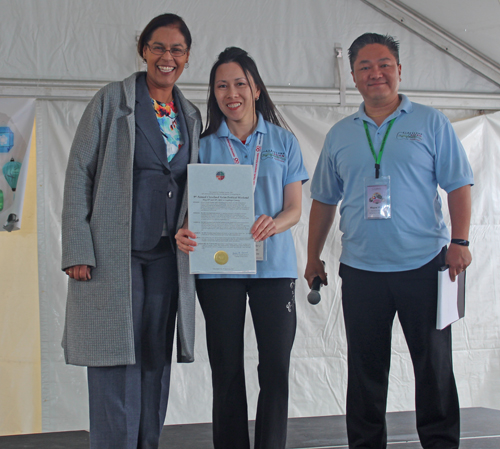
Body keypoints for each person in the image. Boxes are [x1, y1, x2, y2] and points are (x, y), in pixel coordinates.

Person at [305, 33, 473, 449]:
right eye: (364, 66)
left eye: (383, 64)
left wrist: (461, 240)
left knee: (433, 369)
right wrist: (312, 257)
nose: (374, 73)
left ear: (399, 70)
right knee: (365, 372)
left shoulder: (431, 123)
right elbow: (324, 200)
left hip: (425, 266)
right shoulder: (340, 134)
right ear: (353, 76)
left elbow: (459, 184)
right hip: (362, 270)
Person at [61, 13, 201, 449]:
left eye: (176, 50)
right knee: (114, 357)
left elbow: (193, 182)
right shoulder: (111, 101)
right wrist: (77, 248)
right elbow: (78, 171)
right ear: (143, 50)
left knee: (154, 357)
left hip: (166, 257)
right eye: (158, 47)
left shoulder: (191, 114)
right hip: (113, 253)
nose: (166, 57)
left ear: (187, 58)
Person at [176, 47, 309, 449]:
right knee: (227, 371)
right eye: (221, 85)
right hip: (218, 272)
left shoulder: (283, 141)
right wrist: (183, 231)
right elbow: (188, 210)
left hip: (275, 269)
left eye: (239, 83)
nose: (230, 93)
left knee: (274, 371)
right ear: (213, 93)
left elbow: (294, 209)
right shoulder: (201, 144)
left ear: (255, 88)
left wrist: (275, 223)